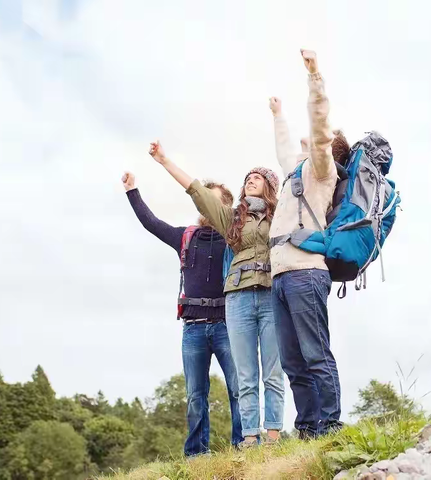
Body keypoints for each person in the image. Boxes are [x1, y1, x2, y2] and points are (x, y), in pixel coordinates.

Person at [147, 143, 285, 447]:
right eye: (247, 177)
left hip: (270, 295)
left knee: (273, 371)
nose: (250, 179)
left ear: (270, 187)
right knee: (245, 375)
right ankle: (250, 438)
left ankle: (273, 436)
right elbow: (197, 191)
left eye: (258, 177)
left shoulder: (282, 214)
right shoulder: (232, 219)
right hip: (237, 299)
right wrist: (164, 161)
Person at [121, 171, 243, 456]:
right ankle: (197, 455)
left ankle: (245, 447)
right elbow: (152, 223)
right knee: (195, 396)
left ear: (225, 206)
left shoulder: (235, 239)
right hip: (194, 329)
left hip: (228, 325)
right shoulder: (186, 237)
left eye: (210, 200)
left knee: (239, 389)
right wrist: (132, 191)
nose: (203, 205)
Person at [268, 49, 347, 438]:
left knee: (315, 355)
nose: (306, 141)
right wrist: (278, 116)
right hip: (280, 276)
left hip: (305, 273)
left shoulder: (321, 168)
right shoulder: (293, 171)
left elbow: (319, 129)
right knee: (293, 362)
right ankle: (307, 429)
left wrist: (315, 76)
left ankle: (330, 425)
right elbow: (285, 148)